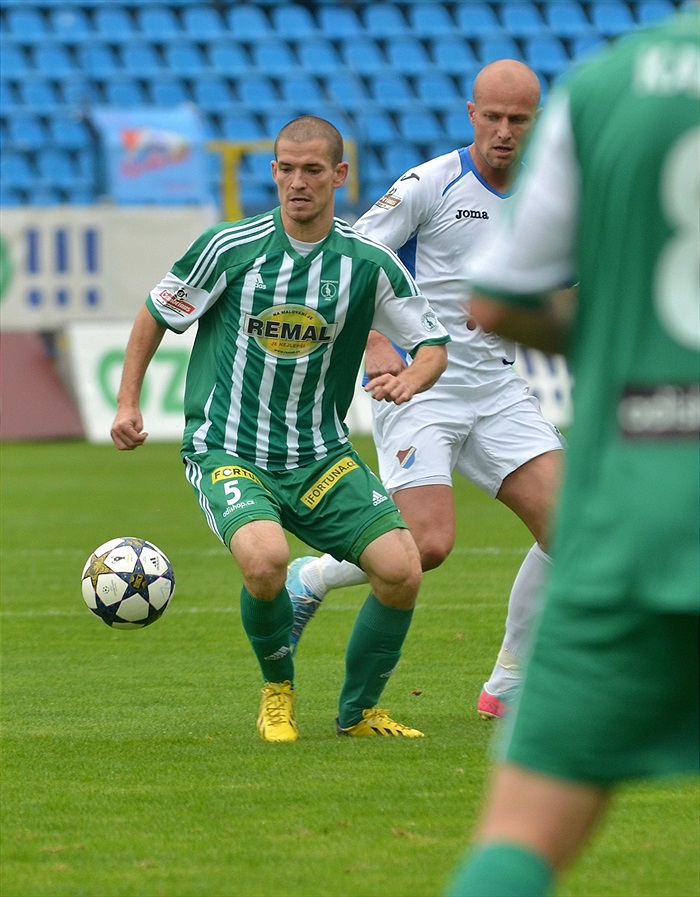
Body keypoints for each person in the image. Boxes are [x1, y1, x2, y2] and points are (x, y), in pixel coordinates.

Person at [446, 9, 699, 895]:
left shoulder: (603, 87)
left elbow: (502, 300)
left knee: (519, 836)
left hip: (632, 503)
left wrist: (632, 343)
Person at [111, 116, 449, 743]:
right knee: (266, 561)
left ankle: (359, 712)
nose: (298, 182)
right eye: (286, 169)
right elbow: (155, 314)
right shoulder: (230, 248)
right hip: (230, 449)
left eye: (313, 170)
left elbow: (432, 342)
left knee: (403, 568)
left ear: (339, 177)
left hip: (320, 457)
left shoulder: (366, 263)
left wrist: (414, 379)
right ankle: (278, 692)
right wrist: (128, 401)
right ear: (272, 173)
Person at [286, 59, 565, 720]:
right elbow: (347, 258)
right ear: (471, 114)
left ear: (536, 123)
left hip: (497, 388)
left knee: (574, 529)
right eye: (491, 117)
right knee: (428, 546)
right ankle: (315, 574)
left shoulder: (550, 197)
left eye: (517, 120)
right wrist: (377, 346)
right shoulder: (430, 185)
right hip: (421, 388)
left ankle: (508, 681)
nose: (503, 131)